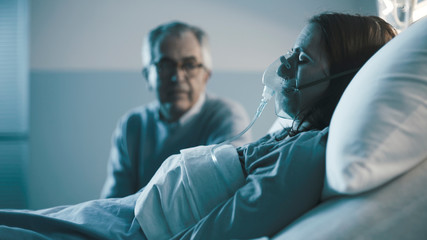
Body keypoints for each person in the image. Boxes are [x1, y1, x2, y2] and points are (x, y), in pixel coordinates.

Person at [0, 13, 397, 240]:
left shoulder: (309, 149)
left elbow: (230, 222)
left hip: (141, 228)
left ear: (344, 78)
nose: (283, 65)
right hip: (131, 211)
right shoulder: (288, 131)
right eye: (290, 52)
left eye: (303, 60)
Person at [101, 21, 252, 198]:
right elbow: (113, 202)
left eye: (189, 65)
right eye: (165, 65)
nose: (177, 77)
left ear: (206, 75)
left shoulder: (227, 116)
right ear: (147, 76)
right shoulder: (132, 125)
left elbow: (224, 190)